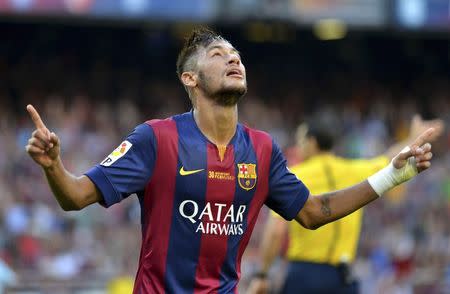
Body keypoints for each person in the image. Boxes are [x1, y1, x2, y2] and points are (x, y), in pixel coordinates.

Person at [25, 27, 435, 293]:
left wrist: (391, 177)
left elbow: (313, 211)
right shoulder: (156, 138)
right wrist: (53, 167)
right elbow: (76, 196)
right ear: (190, 78)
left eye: (236, 54)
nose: (234, 59)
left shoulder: (261, 149)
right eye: (219, 55)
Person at [247, 117, 444, 294]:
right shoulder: (353, 170)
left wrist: (262, 274)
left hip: (304, 274)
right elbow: (390, 161)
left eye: (301, 141)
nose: (298, 148)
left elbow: (276, 231)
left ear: (312, 142)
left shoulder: (295, 175)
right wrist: (412, 138)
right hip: (343, 278)